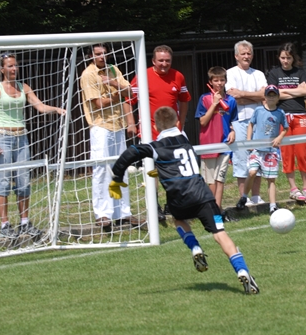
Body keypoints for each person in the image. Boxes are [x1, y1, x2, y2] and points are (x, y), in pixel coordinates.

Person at [109, 106, 259, 294]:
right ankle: (242, 270)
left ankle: (195, 247)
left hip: (179, 200)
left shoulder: (156, 147)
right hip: (203, 196)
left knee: (178, 220)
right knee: (220, 233)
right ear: (178, 122)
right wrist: (162, 169)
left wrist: (117, 176)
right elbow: (180, 161)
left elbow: (131, 152)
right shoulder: (185, 140)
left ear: (155, 127)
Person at [0, 53, 66, 239]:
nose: (14, 69)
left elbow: (40, 107)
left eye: (15, 65)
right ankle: (5, 225)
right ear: (2, 69)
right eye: (10, 66)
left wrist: (57, 109)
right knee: (3, 181)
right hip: (2, 137)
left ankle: (25, 223)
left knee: (23, 181)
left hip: (21, 138)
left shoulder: (24, 87)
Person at [80, 43, 141, 230]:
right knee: (101, 169)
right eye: (98, 54)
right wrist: (118, 95)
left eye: (104, 53)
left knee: (121, 167)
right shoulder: (88, 74)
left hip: (118, 124)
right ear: (91, 56)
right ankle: (102, 214)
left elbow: (129, 92)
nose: (102, 57)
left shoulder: (113, 70)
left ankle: (123, 213)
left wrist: (114, 84)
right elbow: (99, 104)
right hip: (100, 126)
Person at [129, 44, 191, 221]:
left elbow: (184, 100)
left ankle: (173, 204)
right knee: (153, 170)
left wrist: (181, 122)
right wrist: (131, 123)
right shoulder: (143, 76)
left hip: (172, 132)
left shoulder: (178, 76)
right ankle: (154, 206)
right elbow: (128, 99)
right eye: (161, 60)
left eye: (167, 61)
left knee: (176, 169)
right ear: (153, 61)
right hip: (150, 132)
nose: (164, 64)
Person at [266, 43, 306, 205]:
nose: (285, 61)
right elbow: (273, 95)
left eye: (288, 58)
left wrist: (284, 92)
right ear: (278, 58)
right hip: (282, 116)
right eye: (283, 58)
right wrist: (295, 91)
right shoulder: (274, 73)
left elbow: (305, 91)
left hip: (300, 115)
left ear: (293, 58)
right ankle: (293, 188)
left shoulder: (300, 72)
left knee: (302, 152)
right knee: (287, 153)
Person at [226, 40, 268, 206]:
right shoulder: (230, 73)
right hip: (239, 120)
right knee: (241, 158)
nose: (246, 56)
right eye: (243, 53)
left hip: (258, 120)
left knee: (257, 157)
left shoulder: (258, 74)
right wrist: (255, 96)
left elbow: (265, 95)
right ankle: (244, 197)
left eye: (249, 53)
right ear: (236, 56)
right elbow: (233, 98)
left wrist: (243, 94)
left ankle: (256, 195)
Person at [235, 85, 289, 214]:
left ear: (278, 98)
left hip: (270, 151)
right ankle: (244, 197)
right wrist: (249, 140)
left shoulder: (280, 113)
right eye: (269, 95)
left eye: (274, 95)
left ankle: (272, 206)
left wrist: (280, 137)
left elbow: (286, 128)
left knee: (271, 179)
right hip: (257, 150)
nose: (271, 98)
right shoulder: (259, 110)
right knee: (252, 172)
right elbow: (251, 124)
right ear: (264, 97)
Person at [195, 66, 238, 220]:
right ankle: (211, 211)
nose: (219, 83)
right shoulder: (205, 99)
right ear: (210, 82)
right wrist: (214, 103)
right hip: (209, 144)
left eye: (222, 80)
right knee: (211, 181)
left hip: (225, 144)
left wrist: (232, 131)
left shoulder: (231, 100)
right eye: (216, 80)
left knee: (220, 179)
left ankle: (217, 212)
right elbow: (202, 121)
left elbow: (232, 120)